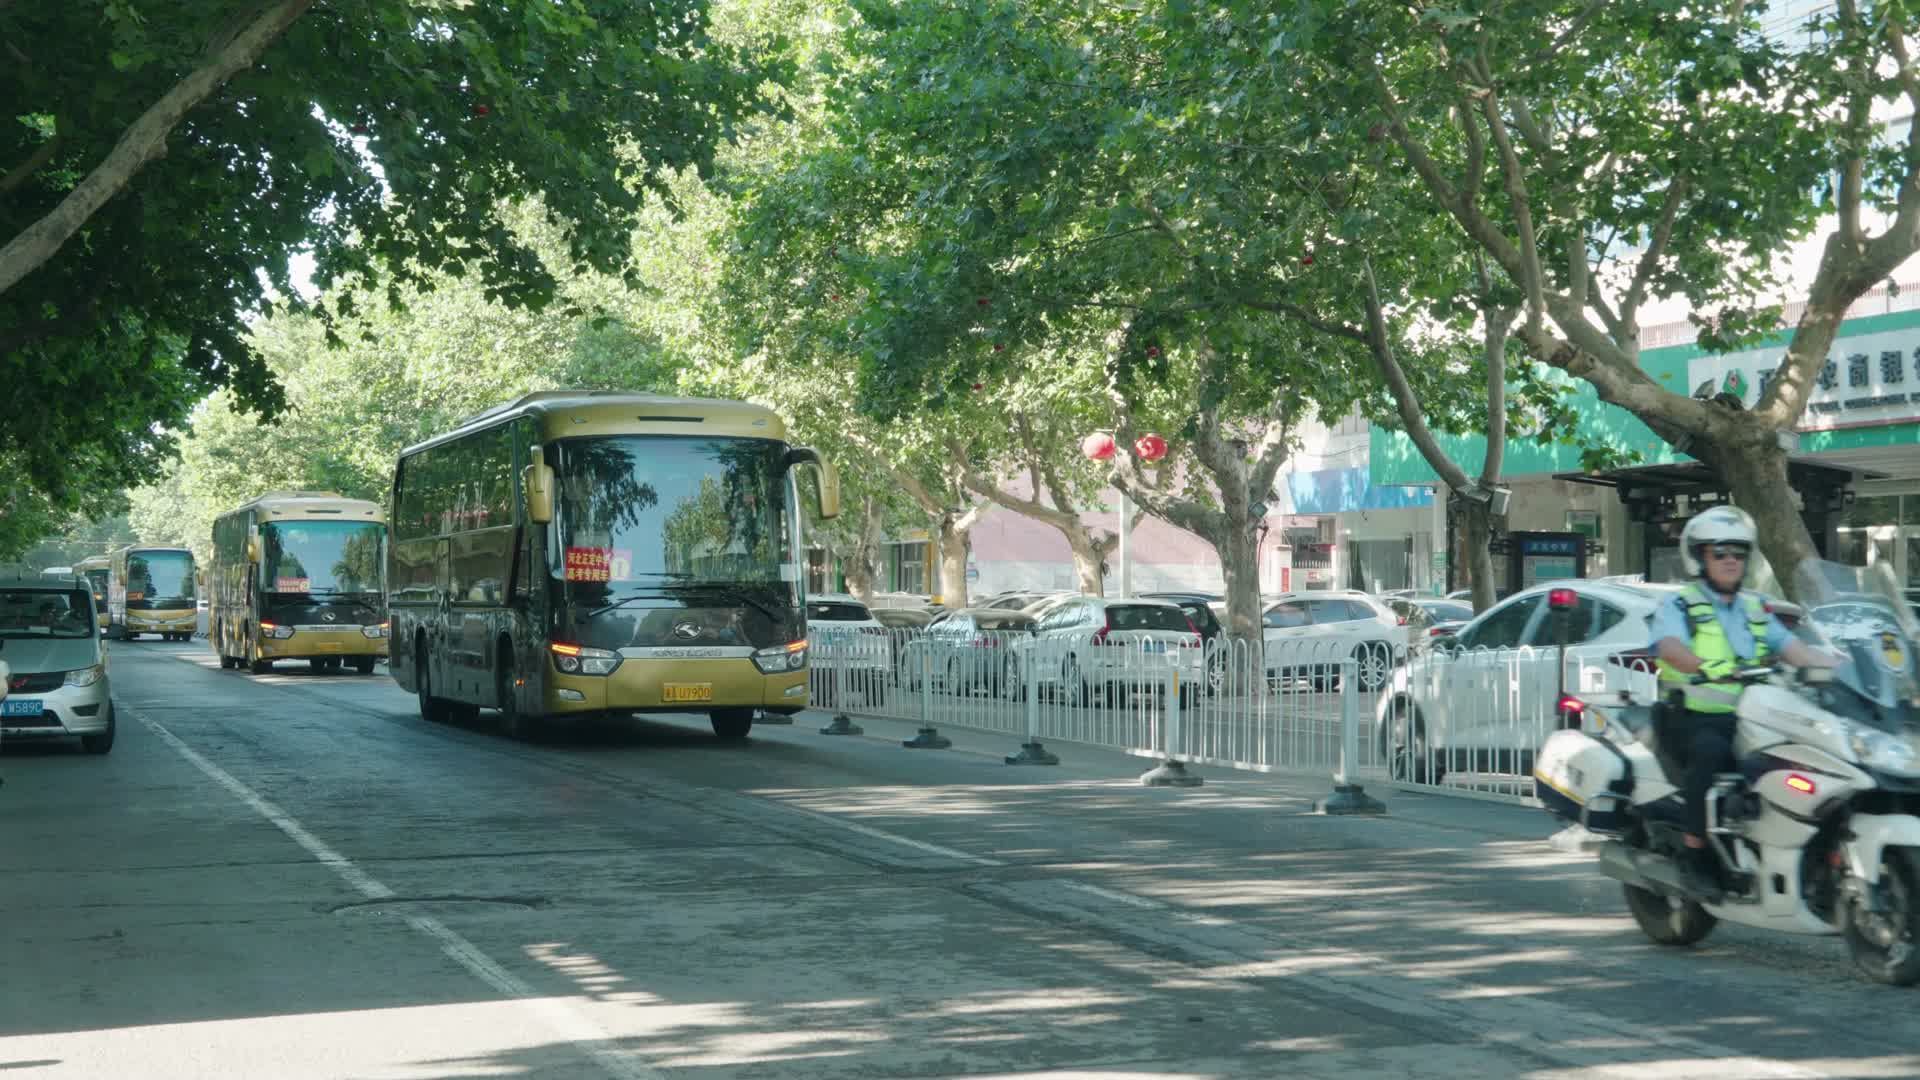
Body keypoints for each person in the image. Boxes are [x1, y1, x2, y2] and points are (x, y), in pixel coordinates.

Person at [1650, 506, 1829, 895]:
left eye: (1738, 552)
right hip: (1694, 716)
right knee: (1711, 754)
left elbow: (1794, 649)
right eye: (1720, 552)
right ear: (1700, 557)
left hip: (1754, 715)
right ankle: (1695, 854)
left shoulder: (1754, 607)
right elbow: (1668, 647)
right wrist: (1706, 666)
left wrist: (1838, 664)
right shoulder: (1681, 604)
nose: (1731, 560)